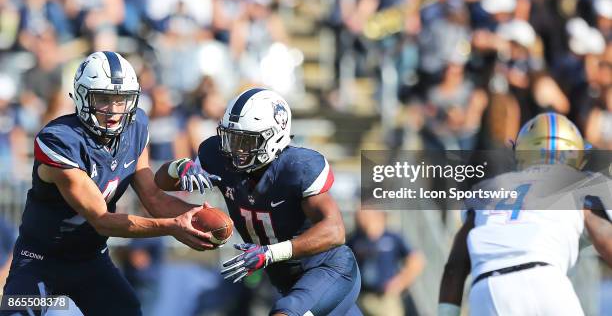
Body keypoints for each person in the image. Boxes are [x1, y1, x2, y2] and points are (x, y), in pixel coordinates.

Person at [0, 51, 218, 316]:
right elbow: (101, 219)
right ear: (82, 97)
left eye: (121, 100)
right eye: (103, 99)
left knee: (128, 310)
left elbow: (154, 197)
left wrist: (193, 218)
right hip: (41, 260)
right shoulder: (59, 141)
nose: (114, 110)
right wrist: (173, 227)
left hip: (91, 259)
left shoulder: (136, 127)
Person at [156, 88, 362, 315]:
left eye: (244, 140)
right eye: (230, 137)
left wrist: (270, 253)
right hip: (287, 281)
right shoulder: (218, 157)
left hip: (328, 270)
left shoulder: (296, 168)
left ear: (273, 137)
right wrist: (180, 167)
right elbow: (162, 181)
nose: (233, 149)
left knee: (285, 312)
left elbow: (335, 231)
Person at [438, 112, 612, 316]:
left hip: (486, 290)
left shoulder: (489, 188)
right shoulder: (579, 182)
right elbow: (606, 240)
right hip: (543, 281)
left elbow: (454, 268)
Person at [348, 210, 424, 316]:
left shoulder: (393, 237)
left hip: (385, 299)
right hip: (360, 298)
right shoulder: (354, 239)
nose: (359, 216)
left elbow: (416, 260)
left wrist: (401, 282)